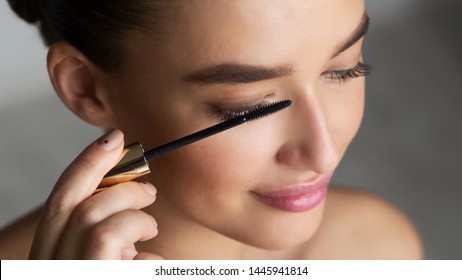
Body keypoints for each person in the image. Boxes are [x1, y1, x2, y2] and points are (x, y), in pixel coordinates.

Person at [0, 0, 422, 260]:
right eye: (250, 107)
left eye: (346, 70)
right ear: (86, 89)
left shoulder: (376, 247)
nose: (323, 154)